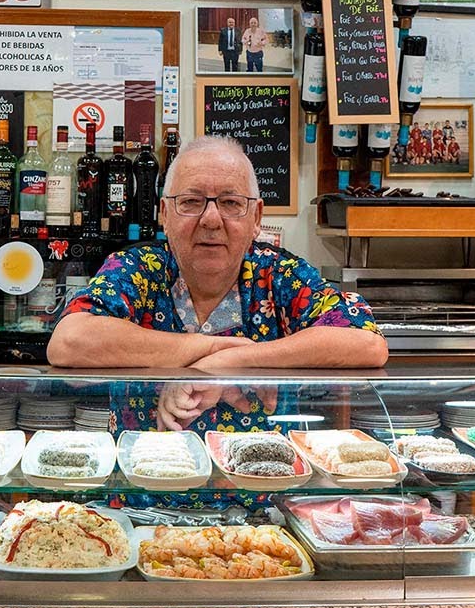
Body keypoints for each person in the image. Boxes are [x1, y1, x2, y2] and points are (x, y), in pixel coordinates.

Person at [48, 136, 388, 434]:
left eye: (230, 203)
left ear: (256, 218)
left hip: (262, 495)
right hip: (141, 493)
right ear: (164, 213)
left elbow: (366, 343)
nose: (211, 219)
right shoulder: (137, 269)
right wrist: (209, 352)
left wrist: (233, 365)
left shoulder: (279, 273)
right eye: (192, 202)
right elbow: (69, 342)